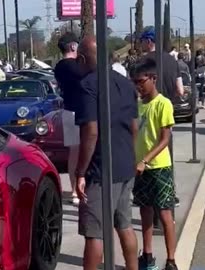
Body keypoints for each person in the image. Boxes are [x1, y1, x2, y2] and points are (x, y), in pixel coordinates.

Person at [75, 36, 138, 270]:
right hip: (125, 165)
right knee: (125, 224)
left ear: (82, 58)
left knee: (95, 233)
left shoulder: (88, 86)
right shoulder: (126, 83)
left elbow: (91, 132)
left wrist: (81, 172)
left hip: (101, 171)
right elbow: (134, 127)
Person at [131, 58, 177, 270]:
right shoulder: (139, 105)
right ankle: (147, 255)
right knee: (144, 212)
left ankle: (171, 260)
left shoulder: (163, 104)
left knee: (165, 214)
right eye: (135, 82)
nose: (138, 86)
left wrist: (145, 160)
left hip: (159, 167)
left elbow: (165, 139)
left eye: (141, 81)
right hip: (140, 169)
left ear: (153, 78)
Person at [140, 29, 182, 207]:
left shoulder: (145, 61)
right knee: (166, 153)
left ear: (149, 41)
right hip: (168, 111)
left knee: (150, 152)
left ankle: (152, 196)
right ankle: (169, 192)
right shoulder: (173, 60)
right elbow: (180, 89)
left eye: (142, 40)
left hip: (149, 110)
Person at [54, 32, 85, 205]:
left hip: (68, 110)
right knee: (83, 150)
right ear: (73, 46)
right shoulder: (76, 66)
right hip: (80, 112)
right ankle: (80, 188)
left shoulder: (58, 67)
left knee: (73, 152)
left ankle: (74, 190)